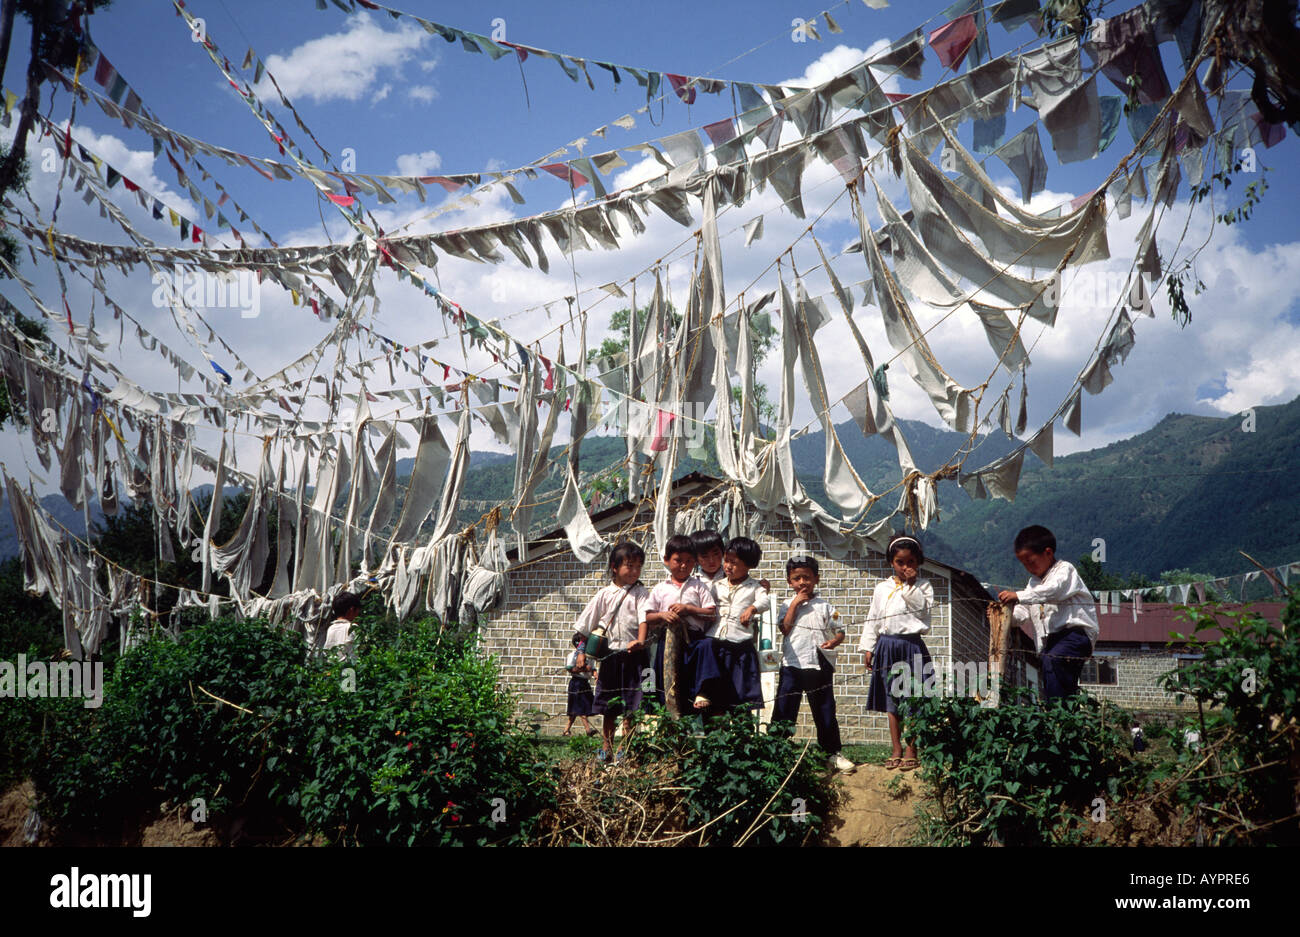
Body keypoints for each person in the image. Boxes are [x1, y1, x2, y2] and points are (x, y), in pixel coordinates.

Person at [771, 555, 854, 773]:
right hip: (792, 663)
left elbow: (840, 630)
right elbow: (784, 629)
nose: (802, 583)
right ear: (789, 582)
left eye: (806, 577)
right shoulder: (786, 604)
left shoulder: (826, 606)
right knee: (785, 708)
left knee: (825, 710)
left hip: (819, 662)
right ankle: (777, 750)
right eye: (796, 578)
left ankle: (831, 753)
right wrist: (796, 604)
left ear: (816, 579)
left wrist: (834, 641)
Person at [997, 525, 1099, 700]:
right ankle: (1062, 714)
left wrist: (1018, 596)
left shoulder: (1065, 571)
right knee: (1051, 674)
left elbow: (1054, 591)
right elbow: (1024, 612)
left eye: (1031, 561)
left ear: (1048, 553)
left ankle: (1059, 713)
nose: (1029, 567)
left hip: (1075, 635)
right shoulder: (1033, 583)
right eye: (1024, 564)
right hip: (1049, 642)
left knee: (1054, 661)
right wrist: (1005, 615)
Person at [861, 534, 933, 771]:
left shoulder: (923, 587)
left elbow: (921, 612)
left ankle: (912, 748)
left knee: (912, 697)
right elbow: (873, 618)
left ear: (918, 562)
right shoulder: (882, 588)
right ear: (891, 562)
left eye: (911, 562)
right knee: (892, 700)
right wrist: (868, 647)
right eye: (900, 562)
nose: (905, 567)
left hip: (911, 646)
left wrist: (910, 586)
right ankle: (896, 748)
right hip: (886, 646)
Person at [575, 542, 651, 763]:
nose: (635, 571)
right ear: (614, 567)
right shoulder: (604, 594)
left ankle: (625, 748)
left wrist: (640, 641)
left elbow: (644, 618)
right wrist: (582, 653)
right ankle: (606, 746)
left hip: (635, 656)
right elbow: (585, 627)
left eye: (639, 566)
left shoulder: (641, 592)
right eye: (630, 566)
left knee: (633, 703)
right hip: (611, 657)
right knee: (609, 705)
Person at [691, 536, 769, 713]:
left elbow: (765, 601)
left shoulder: (754, 586)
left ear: (749, 565)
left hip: (740, 646)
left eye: (734, 563)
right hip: (717, 643)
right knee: (717, 689)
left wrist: (752, 608)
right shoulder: (716, 585)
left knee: (741, 694)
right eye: (726, 561)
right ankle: (711, 717)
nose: (727, 566)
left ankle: (743, 731)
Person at [644, 534, 717, 713]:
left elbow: (711, 612)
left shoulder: (699, 586)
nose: (684, 566)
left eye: (689, 561)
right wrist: (663, 615)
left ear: (695, 562)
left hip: (693, 639)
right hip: (667, 640)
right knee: (669, 681)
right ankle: (668, 719)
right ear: (667, 560)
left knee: (706, 646)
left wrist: (689, 609)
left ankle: (702, 692)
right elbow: (648, 617)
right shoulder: (661, 588)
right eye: (678, 560)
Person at [563, 633, 597, 737]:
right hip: (576, 683)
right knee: (580, 706)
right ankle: (588, 730)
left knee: (578, 707)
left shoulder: (589, 657)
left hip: (585, 683)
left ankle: (566, 730)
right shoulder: (573, 655)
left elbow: (593, 669)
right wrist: (583, 669)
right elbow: (570, 669)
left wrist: (595, 675)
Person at [321, 591, 362, 660]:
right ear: (351, 610)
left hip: (334, 667)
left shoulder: (331, 628)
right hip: (350, 668)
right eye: (358, 610)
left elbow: (327, 651)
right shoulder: (353, 627)